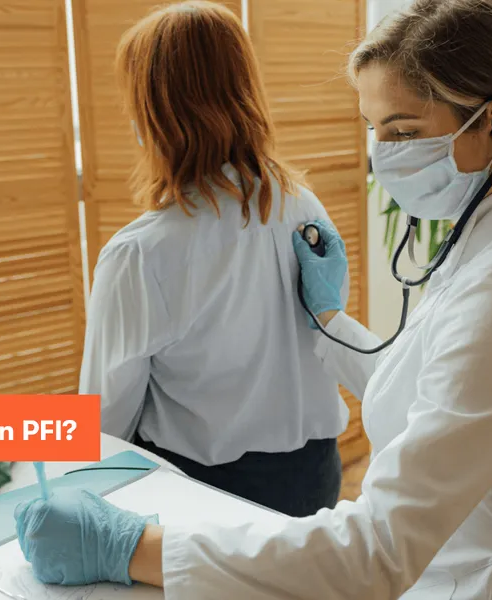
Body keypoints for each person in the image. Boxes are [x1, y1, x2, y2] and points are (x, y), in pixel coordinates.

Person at [16, 0, 492, 598]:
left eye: (404, 132)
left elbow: (376, 553)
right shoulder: (331, 214)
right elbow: (438, 392)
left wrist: (126, 545)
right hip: (332, 488)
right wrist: (329, 319)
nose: (383, 159)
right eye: (375, 131)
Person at [77, 0, 349, 518]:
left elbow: (105, 424)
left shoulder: (139, 255)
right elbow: (327, 335)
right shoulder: (305, 209)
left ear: (155, 112)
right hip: (315, 479)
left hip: (206, 495)